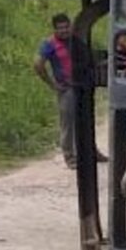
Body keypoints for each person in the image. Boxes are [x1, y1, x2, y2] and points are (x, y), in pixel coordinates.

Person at [34, 13, 106, 169]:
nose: (64, 31)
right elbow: (38, 64)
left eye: (66, 27)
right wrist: (53, 84)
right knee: (68, 124)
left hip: (82, 85)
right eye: (60, 28)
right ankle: (70, 157)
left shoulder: (76, 41)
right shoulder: (49, 44)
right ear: (54, 29)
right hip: (66, 88)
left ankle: (92, 152)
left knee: (87, 120)